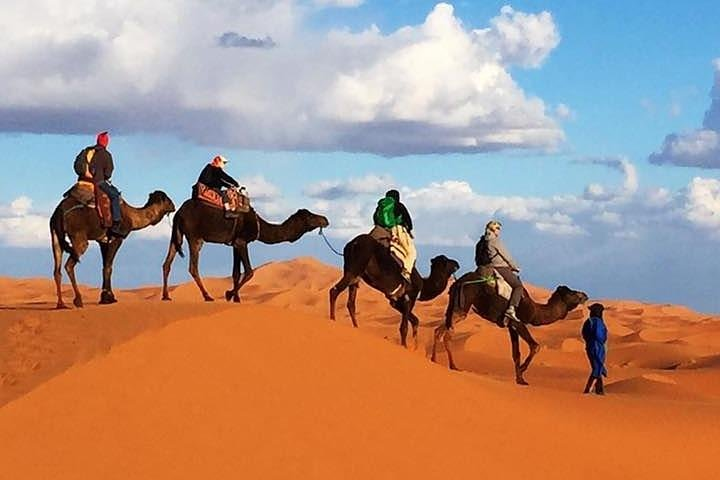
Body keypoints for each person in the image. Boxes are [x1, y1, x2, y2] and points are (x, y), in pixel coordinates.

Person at [475, 220, 523, 326]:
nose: (499, 231)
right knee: (518, 286)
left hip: (485, 267)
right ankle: (511, 309)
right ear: (493, 229)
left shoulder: (482, 241)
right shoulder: (495, 241)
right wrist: (515, 267)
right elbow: (507, 256)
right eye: (498, 229)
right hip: (500, 268)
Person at [371, 189, 416, 282]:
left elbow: (375, 217)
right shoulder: (399, 205)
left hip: (380, 229)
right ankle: (406, 272)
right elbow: (408, 220)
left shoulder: (380, 206)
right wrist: (409, 229)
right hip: (398, 230)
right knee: (411, 253)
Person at [87, 131, 124, 237]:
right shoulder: (106, 155)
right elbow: (109, 172)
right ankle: (116, 223)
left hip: (89, 181)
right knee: (115, 195)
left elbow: (90, 168)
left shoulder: (93, 153)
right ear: (106, 143)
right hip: (100, 182)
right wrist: (105, 177)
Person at [582, 303, 608, 395]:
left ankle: (599, 390)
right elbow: (600, 336)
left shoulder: (589, 321)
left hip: (591, 346)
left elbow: (584, 334)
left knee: (598, 368)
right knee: (597, 368)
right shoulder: (597, 322)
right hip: (596, 346)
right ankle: (588, 390)